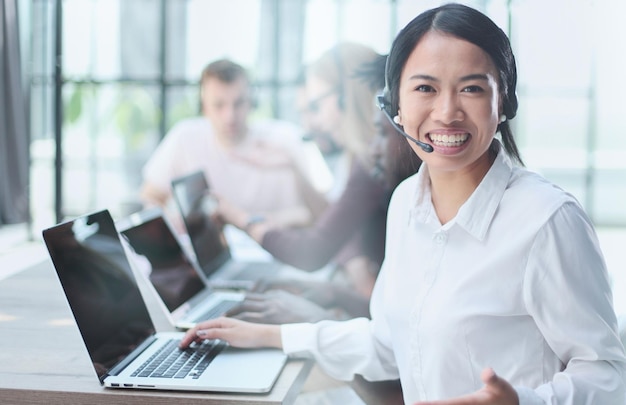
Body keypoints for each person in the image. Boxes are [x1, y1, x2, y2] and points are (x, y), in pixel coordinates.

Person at [180, 4, 626, 404]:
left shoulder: (547, 221)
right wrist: (271, 337)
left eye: (471, 88)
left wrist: (521, 403)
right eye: (425, 89)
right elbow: (389, 346)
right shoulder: (405, 205)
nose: (447, 111)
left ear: (504, 101)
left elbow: (609, 375)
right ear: (394, 106)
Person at [215, 44, 394, 301]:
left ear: (346, 96)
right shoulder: (367, 156)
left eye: (317, 106)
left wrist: (238, 217)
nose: (317, 121)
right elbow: (338, 226)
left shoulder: (373, 160)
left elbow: (313, 251)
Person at [140, 59, 325, 231]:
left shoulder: (287, 138)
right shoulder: (184, 137)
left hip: (281, 252)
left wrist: (294, 167)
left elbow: (325, 214)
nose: (230, 116)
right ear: (203, 107)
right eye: (218, 105)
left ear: (252, 102)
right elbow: (150, 196)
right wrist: (172, 227)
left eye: (239, 103)